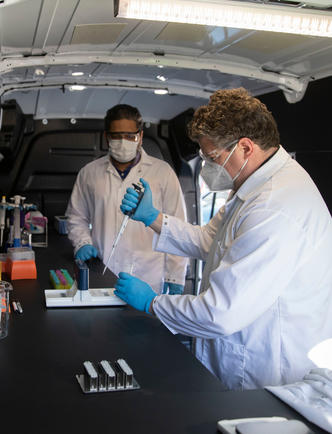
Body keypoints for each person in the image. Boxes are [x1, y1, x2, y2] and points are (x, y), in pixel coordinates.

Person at [116, 88, 332, 390]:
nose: (206, 166)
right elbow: (209, 241)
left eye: (212, 156)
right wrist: (153, 218)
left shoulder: (274, 207)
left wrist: (154, 303)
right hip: (239, 353)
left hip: (265, 370)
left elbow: (219, 313)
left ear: (245, 147)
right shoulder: (254, 185)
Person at [65, 104, 187, 294]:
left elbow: (177, 228)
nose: (124, 142)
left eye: (130, 136)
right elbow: (76, 217)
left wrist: (175, 275)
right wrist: (83, 242)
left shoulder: (162, 173)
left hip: (147, 278)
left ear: (141, 137)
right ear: (106, 137)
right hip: (101, 271)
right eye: (117, 136)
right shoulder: (89, 173)